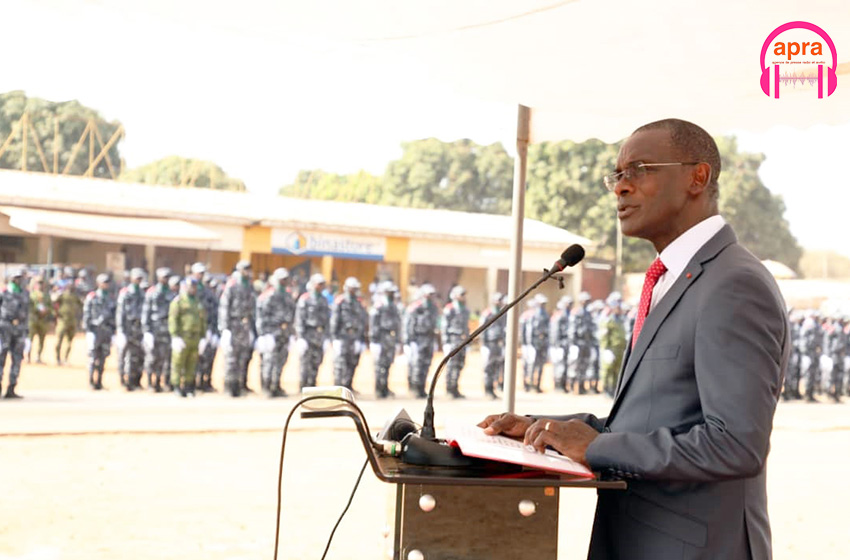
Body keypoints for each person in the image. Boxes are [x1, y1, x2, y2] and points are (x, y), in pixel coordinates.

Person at [480, 119, 789, 559]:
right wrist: (539, 427)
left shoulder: (733, 283)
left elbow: (736, 444)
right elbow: (651, 424)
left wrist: (599, 447)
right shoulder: (671, 278)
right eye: (617, 175)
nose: (620, 188)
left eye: (639, 170)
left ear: (696, 178)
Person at [255, 267, 296, 397]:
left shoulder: (288, 295)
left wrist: (292, 333)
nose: (284, 281)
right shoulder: (269, 295)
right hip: (271, 332)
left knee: (281, 360)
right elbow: (261, 315)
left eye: (286, 279)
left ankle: (276, 385)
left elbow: (292, 314)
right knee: (269, 360)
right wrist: (263, 334)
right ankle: (266, 387)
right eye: (282, 279)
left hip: (284, 333)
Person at [219, 260, 257, 397]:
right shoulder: (232, 285)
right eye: (245, 269)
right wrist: (225, 329)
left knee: (243, 357)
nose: (248, 271)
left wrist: (253, 329)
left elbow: (253, 308)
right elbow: (224, 307)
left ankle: (240, 386)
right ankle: (229, 387)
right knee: (231, 359)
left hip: (246, 326)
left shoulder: (250, 285)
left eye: (249, 269)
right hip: (233, 325)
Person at [168, 277, 206, 397]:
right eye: (190, 287)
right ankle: (177, 386)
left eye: (194, 287)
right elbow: (173, 319)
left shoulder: (197, 302)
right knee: (178, 362)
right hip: (182, 336)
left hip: (195, 338)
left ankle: (189, 386)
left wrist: (203, 336)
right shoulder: (178, 301)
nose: (192, 289)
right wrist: (174, 336)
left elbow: (202, 320)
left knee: (192, 363)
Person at [330, 276, 367, 391]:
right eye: (352, 288)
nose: (354, 290)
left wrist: (361, 339)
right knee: (340, 363)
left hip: (355, 337)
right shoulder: (340, 301)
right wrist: (335, 338)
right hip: (343, 336)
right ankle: (338, 387)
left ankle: (348, 386)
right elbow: (335, 320)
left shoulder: (359, 302)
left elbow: (363, 320)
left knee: (353, 362)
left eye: (355, 288)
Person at [295, 273, 331, 390]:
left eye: (322, 284)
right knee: (306, 363)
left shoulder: (324, 300)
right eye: (319, 284)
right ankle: (304, 387)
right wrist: (300, 337)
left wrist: (327, 337)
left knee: (317, 362)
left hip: (320, 335)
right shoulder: (305, 299)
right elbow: (300, 318)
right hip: (308, 334)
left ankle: (312, 386)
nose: (321, 286)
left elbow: (327, 320)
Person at [403, 283, 439, 398]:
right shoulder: (415, 307)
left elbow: (435, 323)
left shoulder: (433, 307)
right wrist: (408, 340)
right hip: (417, 339)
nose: (431, 296)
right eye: (429, 294)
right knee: (416, 364)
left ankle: (422, 388)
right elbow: (408, 324)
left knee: (426, 364)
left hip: (429, 339)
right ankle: (414, 388)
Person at [82, 273, 116, 391]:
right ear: (98, 283)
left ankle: (99, 382)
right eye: (104, 282)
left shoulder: (111, 298)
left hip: (106, 332)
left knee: (103, 358)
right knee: (93, 358)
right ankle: (91, 381)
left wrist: (114, 331)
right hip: (95, 331)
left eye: (107, 282)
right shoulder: (92, 297)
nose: (106, 285)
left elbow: (113, 315)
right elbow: (87, 314)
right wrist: (88, 330)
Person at [115, 268, 147, 390]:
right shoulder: (126, 293)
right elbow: (120, 313)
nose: (139, 280)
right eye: (137, 278)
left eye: (140, 278)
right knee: (126, 356)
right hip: (128, 330)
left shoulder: (142, 293)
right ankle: (125, 381)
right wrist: (120, 330)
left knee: (138, 356)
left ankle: (136, 381)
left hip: (139, 331)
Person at [369, 281, 401, 398]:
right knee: (379, 365)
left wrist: (397, 341)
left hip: (390, 339)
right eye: (389, 292)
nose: (391, 294)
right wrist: (374, 341)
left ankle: (385, 388)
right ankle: (378, 389)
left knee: (387, 364)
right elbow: (374, 324)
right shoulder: (379, 306)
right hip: (381, 338)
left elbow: (398, 324)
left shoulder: (394, 306)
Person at [142, 267, 173, 392]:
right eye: (164, 277)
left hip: (167, 330)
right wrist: (146, 331)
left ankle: (159, 382)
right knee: (152, 357)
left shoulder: (171, 293)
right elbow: (146, 312)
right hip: (154, 329)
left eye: (167, 277)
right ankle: (150, 382)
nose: (166, 279)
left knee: (163, 358)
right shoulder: (152, 292)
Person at [0, 268, 29, 398]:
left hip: (20, 330)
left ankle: (11, 388)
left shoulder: (25, 293)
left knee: (17, 358)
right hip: (4, 328)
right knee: (1, 357)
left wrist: (27, 331)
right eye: (17, 278)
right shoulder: (4, 293)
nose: (20, 280)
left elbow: (27, 312)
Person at [191, 264, 219, 392]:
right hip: (191, 331)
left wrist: (213, 330)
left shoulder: (208, 292)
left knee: (206, 357)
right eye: (198, 273)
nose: (200, 275)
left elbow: (214, 311)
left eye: (202, 273)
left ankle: (204, 382)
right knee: (192, 358)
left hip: (206, 329)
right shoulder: (188, 291)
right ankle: (190, 383)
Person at [441, 284, 470, 399]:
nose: (464, 297)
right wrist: (445, 342)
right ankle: (449, 389)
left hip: (462, 341)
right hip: (452, 339)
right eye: (461, 294)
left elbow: (466, 327)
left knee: (459, 365)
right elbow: (444, 326)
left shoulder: (465, 310)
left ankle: (455, 388)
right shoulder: (450, 309)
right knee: (451, 365)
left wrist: (468, 340)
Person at [479, 292, 507, 399]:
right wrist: (484, 343)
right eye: (497, 300)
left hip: (498, 344)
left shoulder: (502, 313)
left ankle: (493, 389)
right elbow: (482, 329)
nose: (499, 302)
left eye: (500, 300)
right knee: (488, 367)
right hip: (489, 343)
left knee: (496, 367)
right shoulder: (487, 314)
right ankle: (488, 389)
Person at [52, 276, 82, 366]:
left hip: (72, 321)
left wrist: (79, 316)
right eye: (69, 285)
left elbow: (81, 305)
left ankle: (65, 359)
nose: (71, 287)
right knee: (59, 341)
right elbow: (54, 303)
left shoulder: (75, 297)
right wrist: (55, 314)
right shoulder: (62, 295)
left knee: (70, 341)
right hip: (62, 320)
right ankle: (57, 358)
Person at [27, 276, 52, 364]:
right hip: (33, 320)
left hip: (43, 321)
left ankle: (38, 357)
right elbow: (29, 307)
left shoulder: (47, 296)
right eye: (38, 283)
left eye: (42, 283)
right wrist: (36, 310)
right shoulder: (32, 295)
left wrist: (46, 310)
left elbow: (50, 307)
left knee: (42, 340)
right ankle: (28, 357)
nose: (40, 285)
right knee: (30, 339)